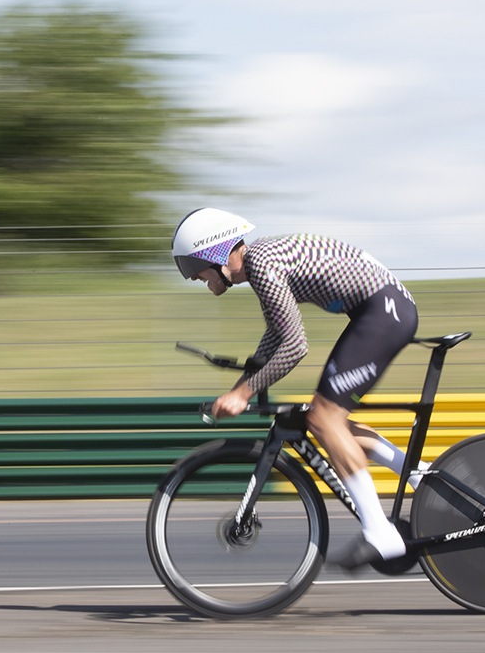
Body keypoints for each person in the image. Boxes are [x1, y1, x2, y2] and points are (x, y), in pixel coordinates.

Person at [172, 207, 425, 570]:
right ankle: (419, 476)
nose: (192, 277)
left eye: (191, 267)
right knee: (326, 419)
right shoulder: (262, 261)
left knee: (324, 419)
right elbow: (276, 332)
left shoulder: (261, 264)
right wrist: (243, 382)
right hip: (381, 310)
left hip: (383, 312)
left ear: (212, 252)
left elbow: (294, 346)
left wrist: (242, 393)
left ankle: (381, 534)